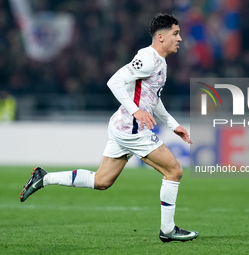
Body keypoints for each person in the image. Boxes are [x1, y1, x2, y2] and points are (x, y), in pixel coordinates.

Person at [19, 13, 198, 243]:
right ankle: (168, 230)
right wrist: (136, 111)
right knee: (174, 171)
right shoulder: (147, 58)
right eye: (176, 33)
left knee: (102, 181)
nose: (180, 38)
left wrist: (174, 126)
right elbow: (114, 81)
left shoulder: (160, 62)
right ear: (161, 37)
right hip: (132, 129)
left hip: (121, 126)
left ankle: (43, 178)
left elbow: (153, 100)